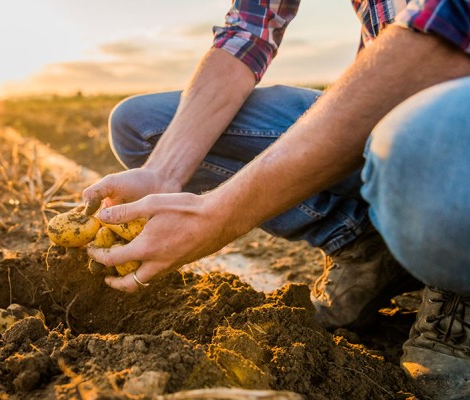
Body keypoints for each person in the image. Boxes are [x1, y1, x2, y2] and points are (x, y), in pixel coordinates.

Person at [83, 1, 470, 398]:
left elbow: (444, 39)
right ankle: (363, 244)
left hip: (449, 118)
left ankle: (459, 292)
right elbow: (249, 30)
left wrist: (218, 214)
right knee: (142, 127)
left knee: (421, 139)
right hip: (384, 108)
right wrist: (165, 171)